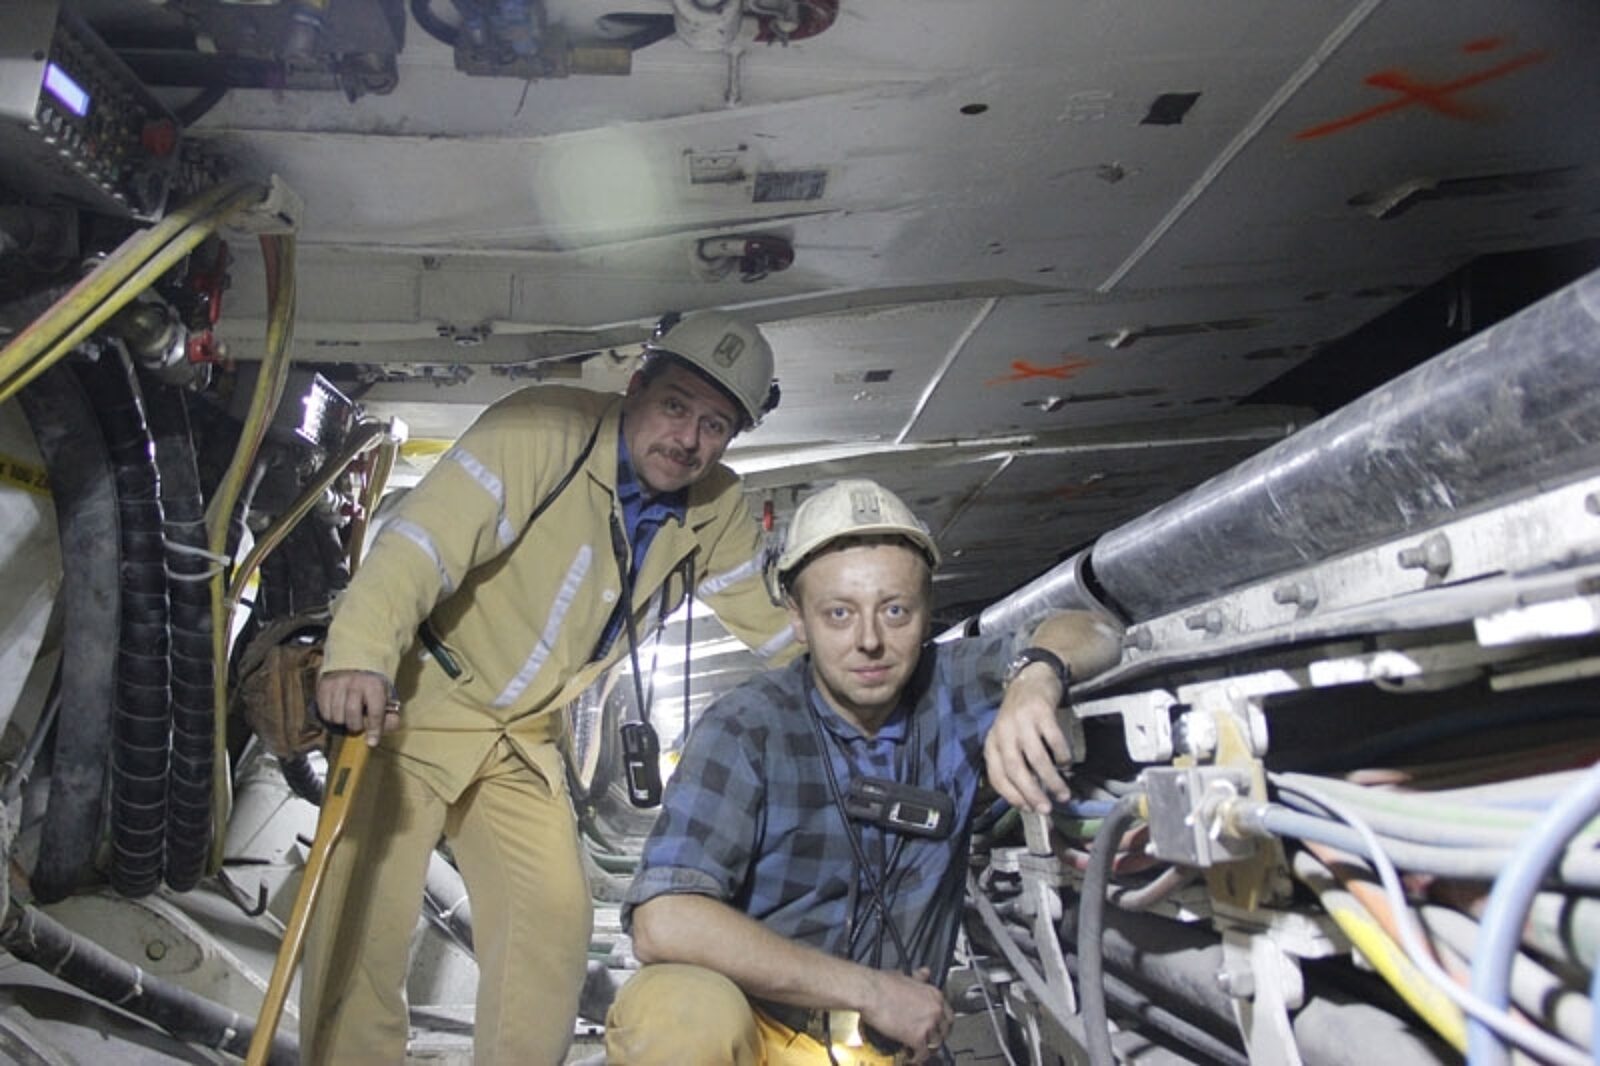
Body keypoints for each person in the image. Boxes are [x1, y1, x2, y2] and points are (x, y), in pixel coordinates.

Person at [304, 311, 797, 1064]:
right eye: (675, 407)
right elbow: (421, 545)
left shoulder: (716, 509)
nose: (688, 440)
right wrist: (360, 653)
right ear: (636, 386)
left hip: (524, 738)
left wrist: (888, 695)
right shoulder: (541, 432)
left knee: (552, 931)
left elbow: (778, 630)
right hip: (419, 706)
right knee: (362, 932)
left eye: (715, 426)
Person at [605, 478, 1124, 1066]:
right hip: (762, 1033)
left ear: (926, 612)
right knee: (677, 1015)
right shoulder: (746, 729)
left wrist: (1036, 678)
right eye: (839, 614)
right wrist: (871, 991)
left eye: (895, 611)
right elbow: (664, 919)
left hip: (887, 1046)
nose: (870, 641)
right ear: (798, 619)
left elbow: (1096, 627)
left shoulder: (951, 688)